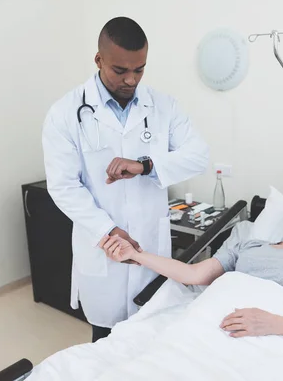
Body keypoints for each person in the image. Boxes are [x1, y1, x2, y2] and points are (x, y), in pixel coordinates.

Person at [42, 17, 209, 343]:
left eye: (140, 69)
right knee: (106, 340)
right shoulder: (65, 113)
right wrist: (107, 230)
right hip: (104, 247)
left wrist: (144, 165)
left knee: (153, 336)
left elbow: (198, 155)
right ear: (99, 60)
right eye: (120, 71)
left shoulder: (164, 106)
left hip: (151, 245)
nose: (131, 79)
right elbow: (63, 185)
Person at [100, 191, 283, 362]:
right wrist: (135, 254)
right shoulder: (249, 245)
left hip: (268, 341)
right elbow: (193, 273)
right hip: (213, 324)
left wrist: (277, 324)